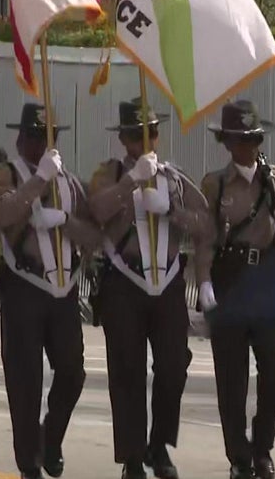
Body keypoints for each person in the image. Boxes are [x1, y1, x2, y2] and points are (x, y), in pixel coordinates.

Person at [88, 99, 214, 479]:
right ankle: (131, 456)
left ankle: (159, 446)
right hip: (125, 281)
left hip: (168, 280)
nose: (144, 142)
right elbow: (95, 211)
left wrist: (170, 210)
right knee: (127, 370)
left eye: (151, 133)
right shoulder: (108, 173)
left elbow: (206, 224)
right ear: (123, 139)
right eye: (135, 135)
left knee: (174, 367)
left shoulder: (175, 178)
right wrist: (130, 182)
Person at [0, 103, 100, 479]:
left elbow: (93, 236)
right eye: (34, 137)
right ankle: (28, 463)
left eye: (48, 138)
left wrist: (65, 220)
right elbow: (2, 215)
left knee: (72, 372)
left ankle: (50, 437)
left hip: (63, 288)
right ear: (20, 138)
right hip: (24, 285)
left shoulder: (68, 182)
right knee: (25, 382)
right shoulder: (6, 174)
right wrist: (37, 182)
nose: (40, 145)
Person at [199, 101, 275, 479]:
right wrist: (204, 281)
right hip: (229, 279)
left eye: (253, 139)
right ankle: (239, 458)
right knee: (232, 378)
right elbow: (205, 238)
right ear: (227, 143)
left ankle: (262, 446)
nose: (248, 147)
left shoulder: (274, 176)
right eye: (240, 140)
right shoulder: (216, 182)